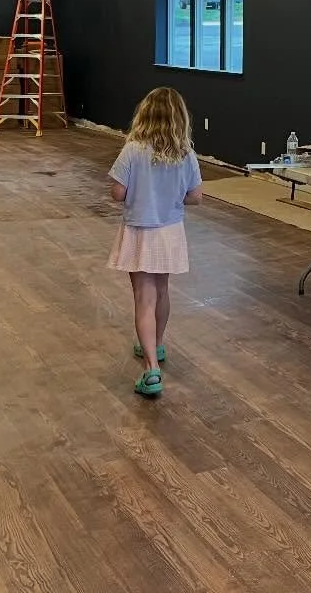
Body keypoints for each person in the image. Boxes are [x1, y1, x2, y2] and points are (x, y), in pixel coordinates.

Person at [107, 87, 203, 398]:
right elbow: (196, 197)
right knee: (162, 291)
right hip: (170, 231)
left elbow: (118, 193)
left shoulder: (133, 149)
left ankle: (151, 369)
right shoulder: (185, 154)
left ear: (144, 115)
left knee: (143, 298)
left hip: (139, 230)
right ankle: (157, 346)